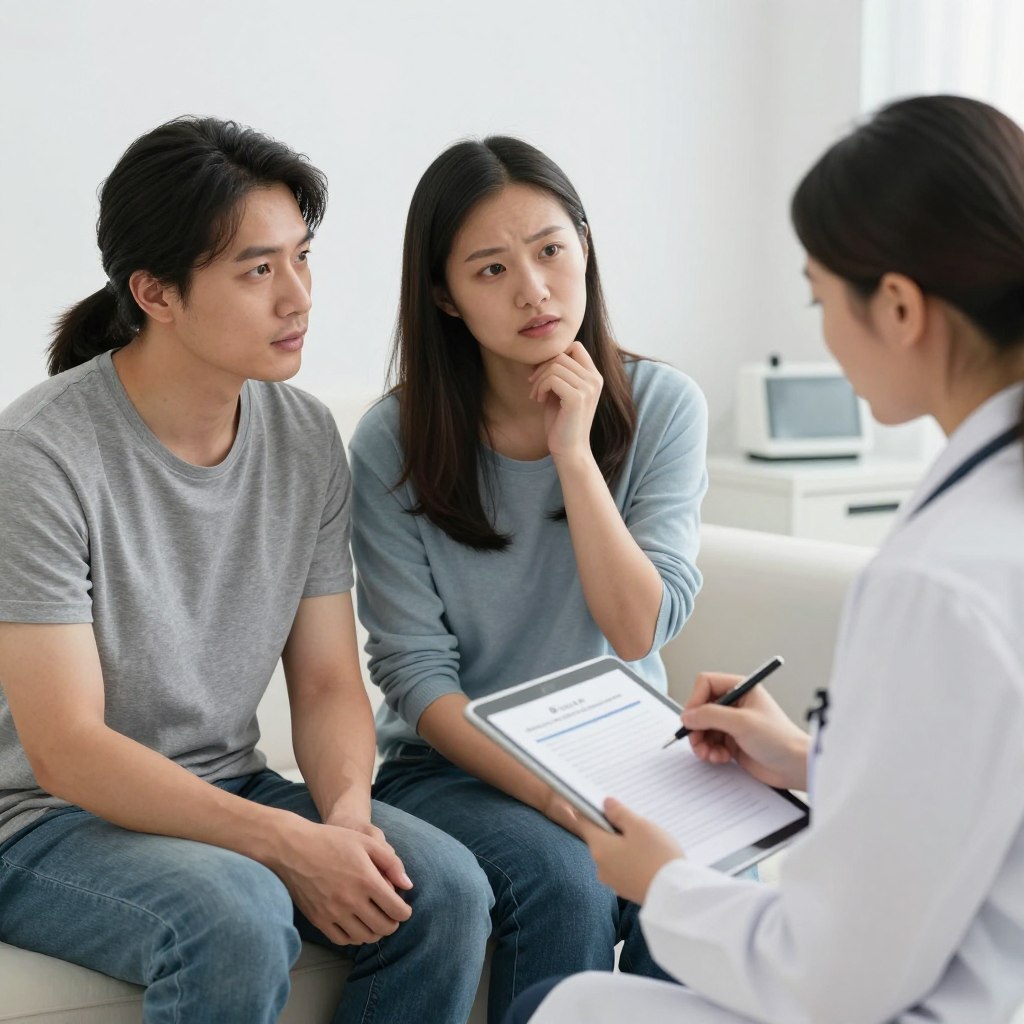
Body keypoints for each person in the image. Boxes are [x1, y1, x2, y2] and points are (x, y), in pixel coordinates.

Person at [505, 93, 1024, 1024]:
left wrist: (666, 883)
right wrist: (810, 757)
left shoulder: (936, 583)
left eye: (823, 299)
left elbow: (832, 974)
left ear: (900, 306)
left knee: (570, 1004)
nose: (823, 330)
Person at [0, 116, 492, 1024]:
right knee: (235, 912)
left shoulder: (302, 437)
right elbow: (64, 751)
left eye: (302, 258)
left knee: (444, 889)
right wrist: (282, 844)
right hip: (42, 822)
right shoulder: (40, 453)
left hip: (224, 784)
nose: (297, 297)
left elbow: (328, 680)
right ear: (156, 291)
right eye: (257, 270)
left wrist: (346, 818)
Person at [348, 135, 708, 1022]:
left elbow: (637, 631)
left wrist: (574, 457)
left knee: (697, 889)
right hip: (452, 769)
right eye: (491, 269)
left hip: (622, 757)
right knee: (566, 882)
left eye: (551, 250)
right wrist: (555, 797)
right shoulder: (392, 443)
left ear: (585, 245)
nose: (535, 289)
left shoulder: (664, 406)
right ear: (445, 296)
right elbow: (417, 679)